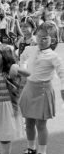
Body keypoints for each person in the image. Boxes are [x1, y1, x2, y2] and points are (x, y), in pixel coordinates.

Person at [19, 22, 64, 154]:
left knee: (41, 124)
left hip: (43, 91)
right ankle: (31, 148)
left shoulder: (54, 56)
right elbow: (22, 57)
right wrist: (24, 68)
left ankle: (42, 151)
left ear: (53, 39)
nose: (41, 40)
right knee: (29, 122)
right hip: (29, 89)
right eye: (39, 37)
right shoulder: (30, 49)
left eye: (45, 38)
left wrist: (63, 89)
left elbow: (62, 72)